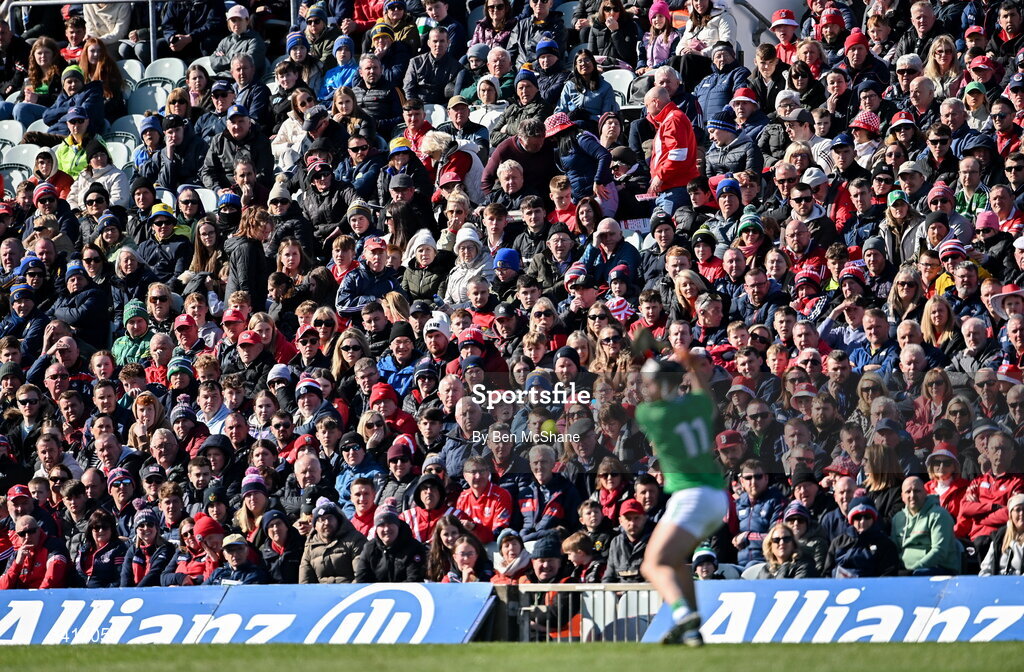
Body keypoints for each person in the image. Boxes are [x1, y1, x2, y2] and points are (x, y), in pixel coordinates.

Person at [635, 354, 728, 646]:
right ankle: (691, 631)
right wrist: (691, 364)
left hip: (691, 495)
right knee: (675, 562)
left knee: (652, 565)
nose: (645, 387)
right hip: (716, 497)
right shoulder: (699, 405)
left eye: (649, 382)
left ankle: (682, 613)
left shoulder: (650, 414)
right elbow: (703, 392)